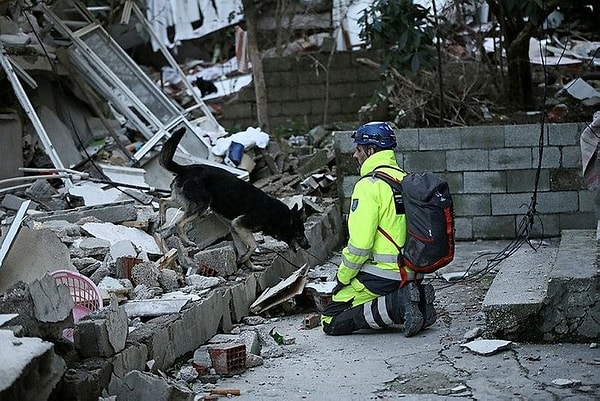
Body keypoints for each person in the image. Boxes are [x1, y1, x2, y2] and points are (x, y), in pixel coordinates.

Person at [321, 121, 436, 336]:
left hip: (383, 274)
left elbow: (360, 246)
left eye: (358, 149)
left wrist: (343, 278)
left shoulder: (368, 186)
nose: (355, 155)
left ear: (371, 150)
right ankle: (415, 299)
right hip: (413, 270)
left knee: (330, 320)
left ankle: (400, 306)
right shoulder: (405, 180)